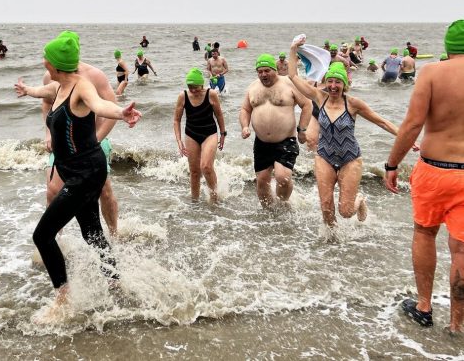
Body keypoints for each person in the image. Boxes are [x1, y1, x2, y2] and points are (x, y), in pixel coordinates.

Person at [14, 35, 142, 319]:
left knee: (42, 235)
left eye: (46, 57)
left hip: (86, 173)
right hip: (76, 170)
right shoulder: (58, 85)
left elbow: (100, 105)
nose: (43, 60)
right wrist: (27, 90)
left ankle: (63, 300)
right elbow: (42, 91)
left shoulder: (81, 87)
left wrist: (121, 113)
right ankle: (115, 281)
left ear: (56, 64)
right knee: (91, 232)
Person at [384, 20, 464, 334]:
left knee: (425, 233)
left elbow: (413, 124)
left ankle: (424, 307)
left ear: (447, 46)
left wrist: (392, 164)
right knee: (461, 249)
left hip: (434, 169)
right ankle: (457, 324)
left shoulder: (431, 73)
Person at [289, 37, 411, 227]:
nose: (333, 86)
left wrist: (407, 138)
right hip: (324, 156)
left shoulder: (353, 104)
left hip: (350, 158)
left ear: (344, 84)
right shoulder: (319, 97)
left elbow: (382, 122)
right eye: (330, 81)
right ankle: (332, 241)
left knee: (345, 212)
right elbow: (293, 76)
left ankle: (359, 200)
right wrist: (293, 49)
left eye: (338, 82)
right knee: (326, 207)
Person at [42, 31, 119, 237]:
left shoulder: (94, 75)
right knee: (52, 192)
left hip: (93, 143)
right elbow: (47, 104)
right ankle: (54, 240)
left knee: (104, 191)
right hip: (63, 144)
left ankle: (114, 234)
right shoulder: (52, 75)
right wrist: (49, 134)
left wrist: (97, 139)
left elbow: (110, 106)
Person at [239, 54, 312, 208]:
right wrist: (245, 126)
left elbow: (307, 104)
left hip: (286, 140)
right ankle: (268, 212)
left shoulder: (289, 84)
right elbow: (245, 109)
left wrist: (302, 129)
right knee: (261, 180)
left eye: (267, 71)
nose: (263, 75)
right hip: (261, 143)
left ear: (275, 70)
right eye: (260, 72)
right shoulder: (252, 87)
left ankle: (283, 205)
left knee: (282, 178)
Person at [173, 68, 226, 203]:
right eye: (190, 87)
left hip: (209, 133)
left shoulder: (211, 94)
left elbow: (219, 115)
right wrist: (179, 141)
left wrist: (223, 133)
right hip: (191, 133)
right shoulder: (183, 96)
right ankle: (194, 201)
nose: (193, 90)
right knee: (195, 171)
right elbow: (177, 120)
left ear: (201, 84)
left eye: (195, 87)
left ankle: (214, 199)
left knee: (206, 166)